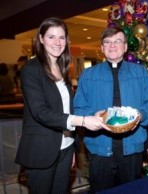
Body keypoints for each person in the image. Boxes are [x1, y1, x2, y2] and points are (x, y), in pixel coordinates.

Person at [15, 17, 110, 194]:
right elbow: (40, 112)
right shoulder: (31, 70)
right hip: (42, 150)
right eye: (51, 37)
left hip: (65, 148)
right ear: (41, 39)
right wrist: (82, 121)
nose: (58, 42)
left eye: (62, 37)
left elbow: (66, 109)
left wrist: (72, 142)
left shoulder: (62, 67)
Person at [73, 26, 148, 192]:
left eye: (118, 41)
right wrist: (92, 116)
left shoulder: (140, 73)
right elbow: (79, 108)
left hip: (132, 149)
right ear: (102, 47)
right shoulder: (88, 75)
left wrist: (141, 115)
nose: (112, 46)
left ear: (125, 47)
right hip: (99, 149)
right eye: (108, 42)